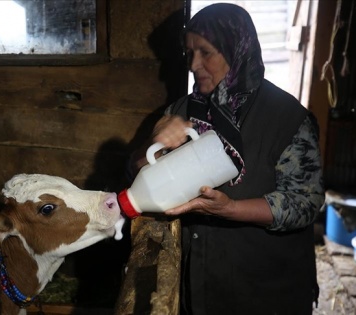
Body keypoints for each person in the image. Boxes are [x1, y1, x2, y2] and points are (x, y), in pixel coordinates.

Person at [127, 3, 325, 315]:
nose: (193, 64)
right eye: (189, 52)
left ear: (237, 49)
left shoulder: (287, 119)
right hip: (197, 286)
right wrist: (151, 145)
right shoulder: (180, 111)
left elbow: (304, 203)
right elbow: (136, 173)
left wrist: (230, 209)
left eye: (205, 52)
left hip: (266, 292)